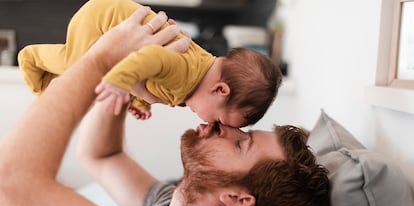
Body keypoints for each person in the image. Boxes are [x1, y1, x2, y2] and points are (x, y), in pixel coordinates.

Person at [0, 6, 330, 206]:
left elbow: (9, 185)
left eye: (243, 141)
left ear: (236, 198)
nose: (224, 128)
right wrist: (127, 82)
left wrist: (102, 58)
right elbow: (102, 156)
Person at [18, 0, 282, 128]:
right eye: (219, 121)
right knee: (75, 64)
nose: (209, 125)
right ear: (220, 90)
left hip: (114, 17)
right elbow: (149, 58)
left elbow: (150, 75)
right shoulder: (187, 73)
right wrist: (118, 83)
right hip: (104, 19)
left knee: (83, 80)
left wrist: (140, 100)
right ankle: (32, 57)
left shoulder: (197, 81)